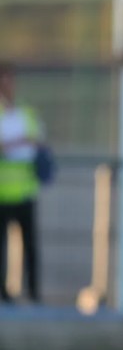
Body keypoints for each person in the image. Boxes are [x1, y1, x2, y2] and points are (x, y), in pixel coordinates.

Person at [0, 63, 45, 304]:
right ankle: (4, 295)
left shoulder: (25, 113)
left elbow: (38, 141)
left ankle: (33, 293)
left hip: (26, 190)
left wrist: (15, 144)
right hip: (2, 192)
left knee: (30, 246)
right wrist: (19, 143)